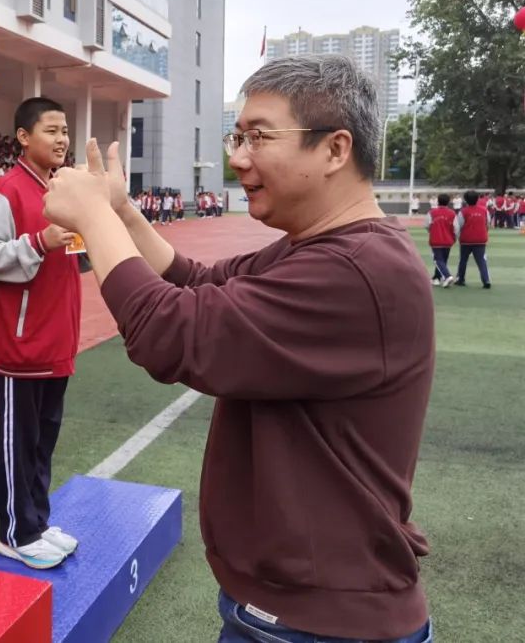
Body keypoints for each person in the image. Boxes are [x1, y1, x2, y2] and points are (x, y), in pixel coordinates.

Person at [42, 55, 434, 643]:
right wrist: (123, 212)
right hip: (303, 604)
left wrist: (93, 218)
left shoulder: (357, 269)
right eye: (238, 135)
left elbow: (169, 333)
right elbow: (196, 279)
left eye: (259, 136)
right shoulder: (322, 247)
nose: (238, 157)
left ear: (334, 150)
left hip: (319, 621)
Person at [0, 97, 82, 571]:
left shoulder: (62, 191)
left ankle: (36, 520)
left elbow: (76, 258)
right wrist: (37, 241)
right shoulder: (9, 191)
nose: (62, 139)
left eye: (64, 131)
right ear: (22, 137)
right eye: (52, 130)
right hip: (20, 348)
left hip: (56, 341)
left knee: (42, 442)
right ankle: (13, 532)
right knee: (19, 445)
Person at [454, 189, 491, 289]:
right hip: (480, 239)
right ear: (478, 199)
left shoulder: (463, 211)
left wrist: (457, 237)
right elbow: (488, 223)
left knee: (463, 260)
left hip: (466, 239)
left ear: (466, 200)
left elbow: (458, 226)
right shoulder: (484, 210)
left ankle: (460, 279)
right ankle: (486, 280)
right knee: (481, 260)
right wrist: (484, 233)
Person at [425, 192, 457, 287]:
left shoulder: (432, 213)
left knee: (438, 260)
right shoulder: (452, 213)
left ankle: (447, 276)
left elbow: (426, 226)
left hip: (436, 240)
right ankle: (436, 278)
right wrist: (454, 238)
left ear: (438, 201)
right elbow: (456, 228)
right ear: (448, 202)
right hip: (448, 240)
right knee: (443, 260)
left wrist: (432, 231)